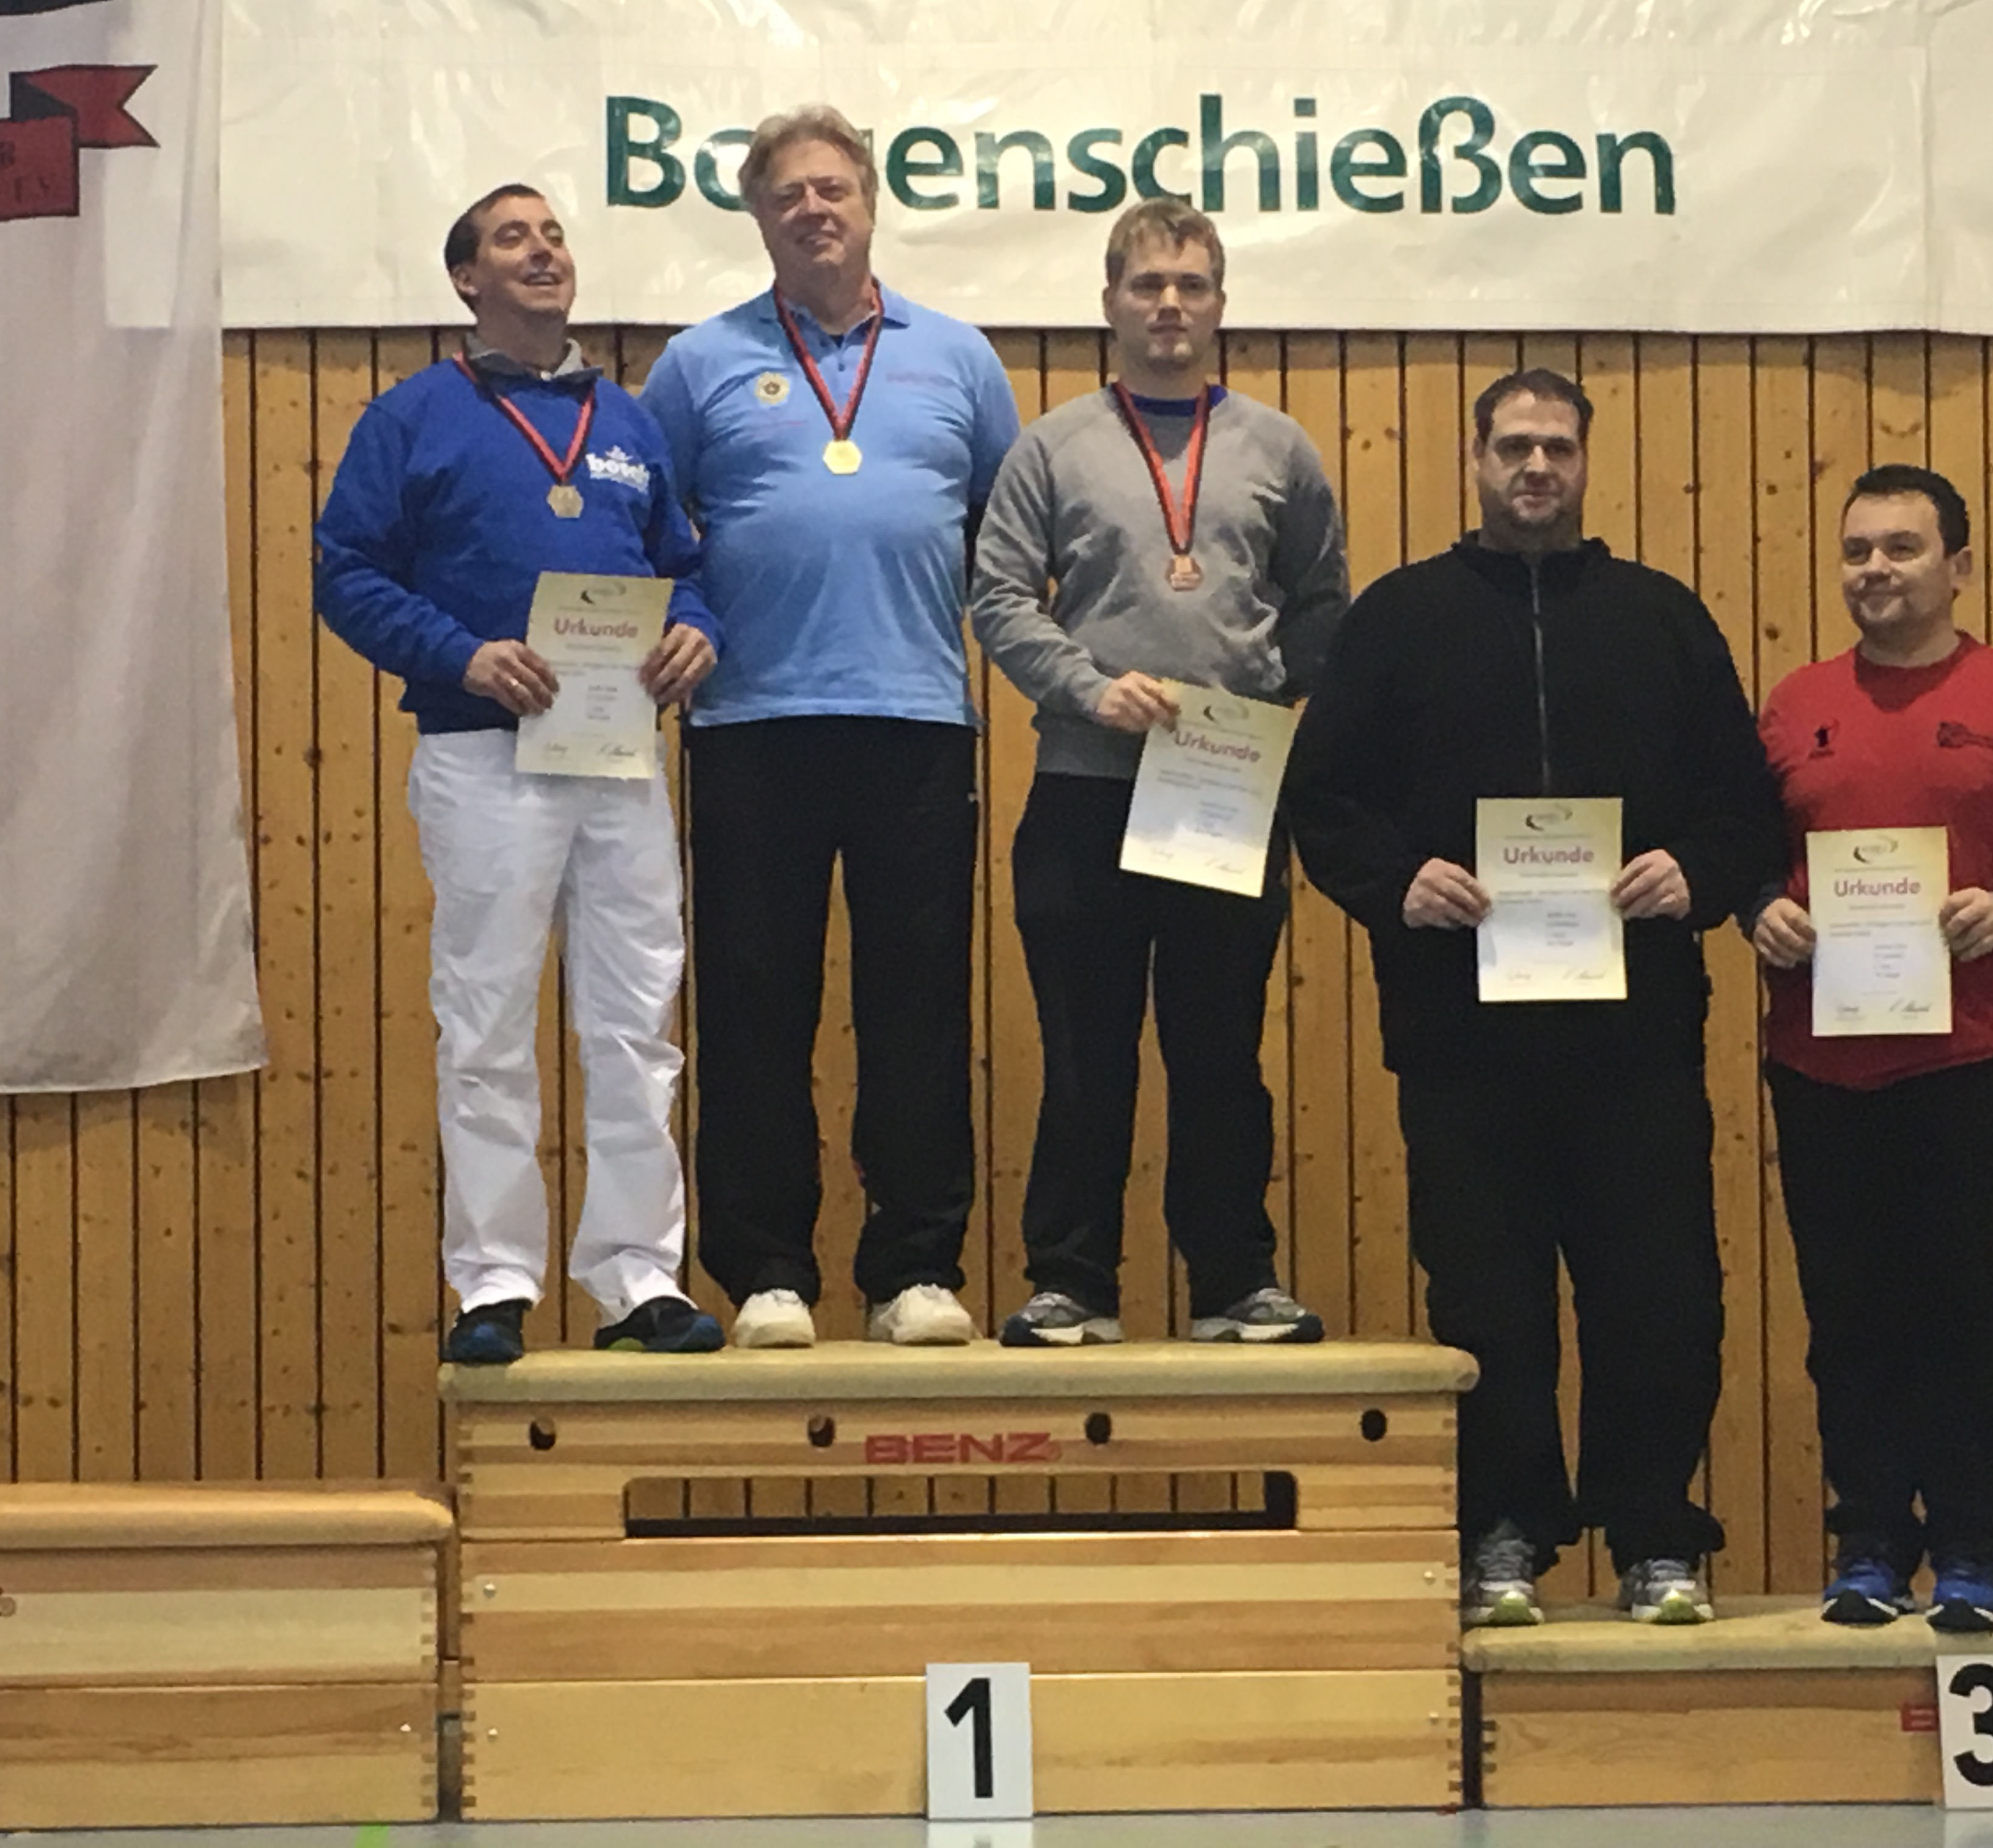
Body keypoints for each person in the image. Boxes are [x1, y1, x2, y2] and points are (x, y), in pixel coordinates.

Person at [1284, 369, 1782, 1626]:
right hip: (1461, 1041)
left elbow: (1745, 807)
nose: (1536, 468)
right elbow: (1323, 801)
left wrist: (1696, 872)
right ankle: (1504, 1533)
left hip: (1637, 1038)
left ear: (1586, 461)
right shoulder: (1399, 619)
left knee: (1659, 1297)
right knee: (1486, 1300)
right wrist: (1400, 881)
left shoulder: (1663, 620)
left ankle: (1655, 1536)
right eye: (1514, 446)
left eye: (1557, 446)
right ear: (1477, 460)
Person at [314, 183, 724, 1363]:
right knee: (487, 1021)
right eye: (512, 239)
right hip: (482, 751)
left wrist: (697, 631)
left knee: (638, 1018)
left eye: (553, 236)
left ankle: (638, 1277)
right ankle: (492, 1281)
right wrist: (463, 655)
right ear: (466, 280)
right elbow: (345, 572)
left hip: (617, 754)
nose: (542, 252)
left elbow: (685, 568)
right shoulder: (413, 417)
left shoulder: (627, 421)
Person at [640, 106, 1021, 1349]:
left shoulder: (960, 358)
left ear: (869, 204)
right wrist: (680, 623)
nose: (813, 209)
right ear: (759, 217)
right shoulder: (698, 363)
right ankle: (766, 1271)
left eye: (833, 188)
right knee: (756, 1005)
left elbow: (1005, 537)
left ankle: (916, 1269)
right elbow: (651, 535)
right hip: (751, 725)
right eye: (788, 193)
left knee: (920, 1007)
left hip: (918, 722)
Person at [1750, 464, 1993, 1632]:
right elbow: (1741, 850)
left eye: (1902, 548)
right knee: (1846, 1312)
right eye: (1858, 550)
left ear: (1959, 566)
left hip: (1978, 1057)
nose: (1875, 569)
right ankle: (1869, 1543)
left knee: (1961, 1304)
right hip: (1821, 1060)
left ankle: (1972, 1546)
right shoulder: (1794, 704)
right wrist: (1755, 909)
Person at [967, 199, 1348, 1348]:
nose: (1170, 305)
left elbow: (1323, 602)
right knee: (1086, 1052)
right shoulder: (1053, 447)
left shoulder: (1280, 448)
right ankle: (1072, 1283)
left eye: (1191, 285)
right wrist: (1087, 686)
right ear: (1110, 304)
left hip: (1225, 788)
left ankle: (1235, 1281)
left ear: (1221, 304)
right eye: (1148, 285)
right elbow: (998, 598)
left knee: (1220, 1048)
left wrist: (1270, 706)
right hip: (1086, 785)